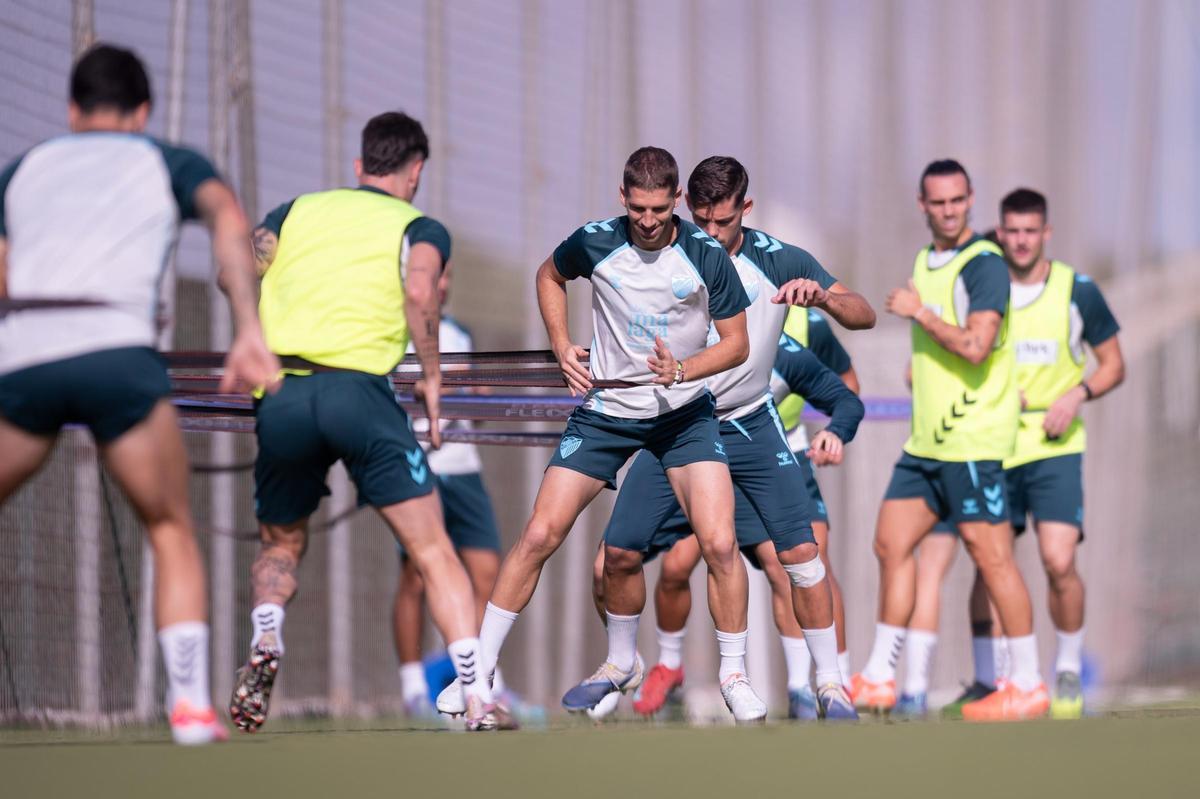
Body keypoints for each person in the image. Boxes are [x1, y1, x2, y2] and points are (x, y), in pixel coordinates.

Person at [0, 43, 279, 745]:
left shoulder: (23, 168)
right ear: (144, 111)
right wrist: (248, 327)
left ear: (71, 109)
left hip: (26, 352)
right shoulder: (170, 162)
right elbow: (227, 218)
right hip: (119, 355)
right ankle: (188, 709)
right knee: (169, 526)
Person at [438, 146, 763, 723]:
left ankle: (734, 675)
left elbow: (736, 343)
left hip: (684, 415)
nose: (647, 221)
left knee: (717, 542)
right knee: (539, 533)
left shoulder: (706, 256)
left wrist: (684, 370)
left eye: (660, 210)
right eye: (638, 208)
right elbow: (549, 275)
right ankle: (480, 670)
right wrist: (562, 344)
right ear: (622, 198)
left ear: (677, 203)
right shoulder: (594, 240)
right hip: (607, 411)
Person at [563, 155, 874, 722]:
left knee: (802, 558)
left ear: (744, 210)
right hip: (682, 423)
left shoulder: (779, 260)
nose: (711, 234)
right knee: (616, 556)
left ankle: (830, 685)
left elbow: (865, 314)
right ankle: (628, 663)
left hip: (750, 422)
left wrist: (824, 296)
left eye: (723, 224)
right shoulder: (661, 253)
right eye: (701, 221)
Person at [232, 111, 503, 732]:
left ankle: (267, 631)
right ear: (416, 171)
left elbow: (234, 270)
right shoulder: (420, 225)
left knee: (281, 542)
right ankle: (477, 698)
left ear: (359, 166)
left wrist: (251, 334)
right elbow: (419, 292)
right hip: (360, 394)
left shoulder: (293, 212)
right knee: (434, 551)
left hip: (282, 393)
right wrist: (431, 376)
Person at [902, 189, 1124, 720]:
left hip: (1053, 446)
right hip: (990, 442)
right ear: (998, 232)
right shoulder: (984, 281)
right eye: (1012, 231)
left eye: (1031, 231)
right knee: (987, 561)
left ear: (1045, 234)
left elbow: (1114, 364)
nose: (1020, 241)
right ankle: (989, 680)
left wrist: (1077, 395)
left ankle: (1066, 666)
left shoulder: (1077, 290)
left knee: (1058, 559)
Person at [851, 159, 1049, 721]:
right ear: (922, 204)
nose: (948, 210)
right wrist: (923, 366)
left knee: (993, 559)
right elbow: (943, 349)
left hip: (972, 443)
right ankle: (882, 678)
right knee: (890, 543)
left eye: (958, 200)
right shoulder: (925, 259)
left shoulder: (984, 265)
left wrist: (921, 314)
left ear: (970, 199)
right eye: (938, 202)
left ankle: (1028, 684)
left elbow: (977, 347)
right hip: (927, 444)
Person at [593, 328, 863, 722]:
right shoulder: (678, 334)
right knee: (638, 565)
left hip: (757, 457)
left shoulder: (785, 338)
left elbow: (847, 385)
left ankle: (809, 685)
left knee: (791, 562)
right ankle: (649, 663)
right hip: (686, 456)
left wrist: (834, 433)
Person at [393, 289, 505, 718]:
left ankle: (475, 677)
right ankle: (413, 687)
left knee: (486, 572)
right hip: (416, 466)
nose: (438, 287)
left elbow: (475, 411)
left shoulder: (461, 334)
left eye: (445, 277)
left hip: (463, 467)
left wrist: (478, 395)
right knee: (416, 576)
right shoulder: (394, 335)